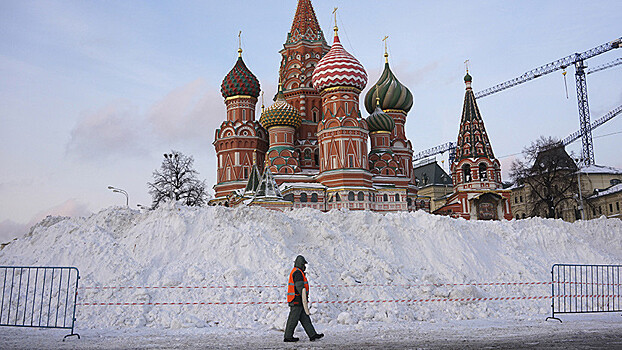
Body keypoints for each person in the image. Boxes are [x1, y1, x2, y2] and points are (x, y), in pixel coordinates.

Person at [284, 255, 324, 342]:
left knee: (306, 319)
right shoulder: (298, 273)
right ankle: (288, 337)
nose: (305, 266)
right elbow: (300, 287)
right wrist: (304, 298)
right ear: (300, 264)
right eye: (303, 264)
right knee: (293, 320)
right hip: (296, 300)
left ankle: (312, 335)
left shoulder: (297, 272)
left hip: (298, 300)